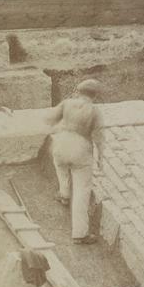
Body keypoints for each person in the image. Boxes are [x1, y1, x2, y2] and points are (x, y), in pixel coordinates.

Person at [46, 79, 105, 244]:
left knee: (60, 165)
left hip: (62, 142)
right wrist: (100, 157)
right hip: (80, 147)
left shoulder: (67, 103)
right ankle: (80, 233)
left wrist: (59, 130)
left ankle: (64, 193)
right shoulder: (95, 111)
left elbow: (49, 119)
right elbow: (99, 137)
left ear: (78, 91)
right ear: (95, 95)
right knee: (82, 190)